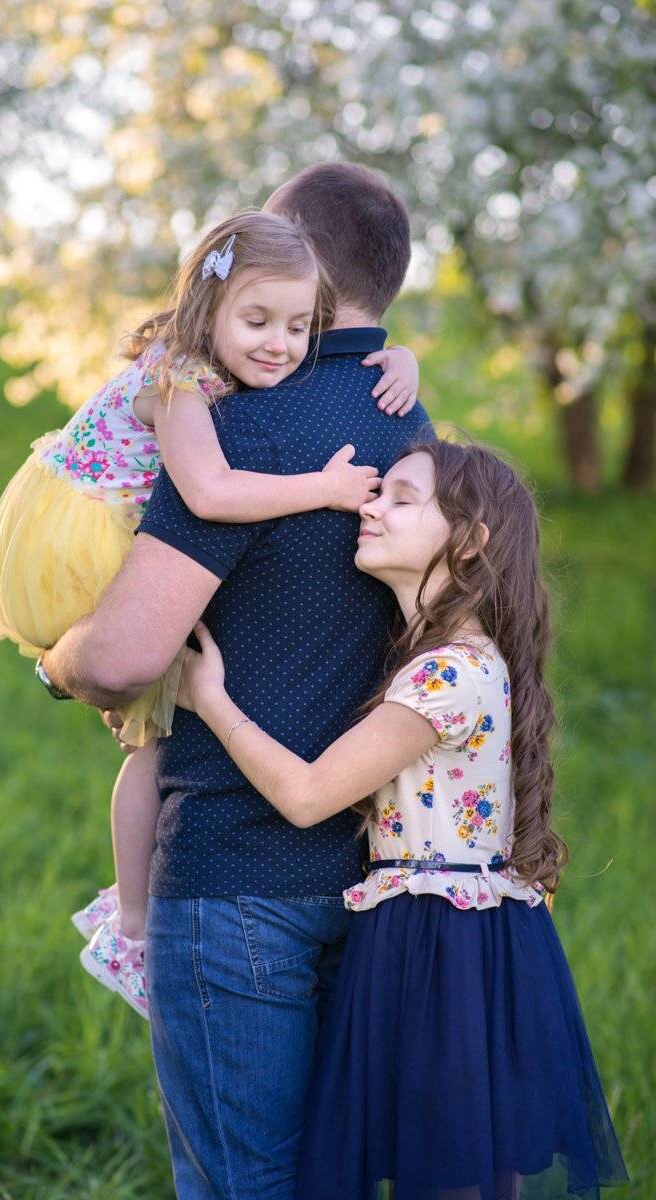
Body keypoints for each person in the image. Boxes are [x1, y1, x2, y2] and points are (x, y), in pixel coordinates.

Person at [40, 160, 433, 1198]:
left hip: (235, 875)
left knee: (242, 1181)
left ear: (307, 268)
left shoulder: (244, 427)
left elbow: (125, 657)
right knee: (334, 1173)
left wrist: (58, 665)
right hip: (376, 868)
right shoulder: (418, 434)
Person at [0, 208, 419, 1019]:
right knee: (149, 741)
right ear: (206, 308)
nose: (279, 345)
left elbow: (332, 345)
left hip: (104, 521)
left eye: (299, 327)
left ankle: (132, 916)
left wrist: (400, 356)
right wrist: (322, 487)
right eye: (257, 321)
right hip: (77, 540)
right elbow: (209, 494)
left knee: (151, 737)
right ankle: (135, 925)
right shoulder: (179, 379)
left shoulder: (222, 363)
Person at [177, 439, 630, 1200]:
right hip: (459, 932)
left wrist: (210, 699)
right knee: (467, 1166)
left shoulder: (444, 671)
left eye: (401, 498)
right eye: (378, 490)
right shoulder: (462, 659)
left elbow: (307, 796)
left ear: (469, 540)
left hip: (437, 940)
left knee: (446, 1171)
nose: (372, 506)